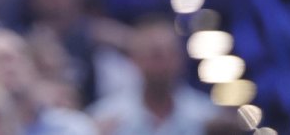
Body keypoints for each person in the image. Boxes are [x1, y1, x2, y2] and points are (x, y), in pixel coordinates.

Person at [88, 17, 219, 135]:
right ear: (135, 59)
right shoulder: (105, 119)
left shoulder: (208, 117)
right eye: (156, 55)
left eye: (172, 54)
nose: (165, 63)